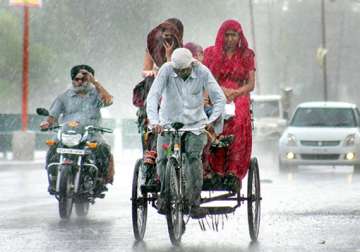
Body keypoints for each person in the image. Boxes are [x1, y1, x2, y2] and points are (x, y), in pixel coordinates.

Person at [146, 48, 226, 218]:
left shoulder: (202, 71)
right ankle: (164, 195)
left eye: (185, 70)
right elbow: (153, 96)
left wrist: (210, 121)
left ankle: (194, 202)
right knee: (162, 157)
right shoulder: (166, 70)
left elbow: (219, 98)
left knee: (193, 157)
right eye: (178, 70)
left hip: (195, 125)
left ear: (192, 64)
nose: (181, 73)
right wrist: (155, 122)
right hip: (168, 124)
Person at [40, 65, 114, 192]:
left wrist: (95, 82)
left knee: (103, 150)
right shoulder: (63, 97)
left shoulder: (96, 95)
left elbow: (108, 100)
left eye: (83, 79)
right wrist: (47, 123)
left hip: (91, 134)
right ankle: (53, 178)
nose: (79, 82)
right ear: (72, 80)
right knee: (53, 149)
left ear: (89, 80)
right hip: (67, 135)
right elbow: (53, 115)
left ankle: (100, 180)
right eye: (76, 79)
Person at [203, 19, 256, 186]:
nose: (230, 39)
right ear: (221, 36)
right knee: (214, 121)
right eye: (227, 35)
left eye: (234, 35)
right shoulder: (211, 53)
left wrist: (236, 92)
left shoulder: (247, 55)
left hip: (239, 95)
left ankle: (233, 169)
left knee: (238, 119)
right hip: (215, 93)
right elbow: (206, 79)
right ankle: (215, 168)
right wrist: (220, 91)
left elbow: (251, 84)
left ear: (239, 36)